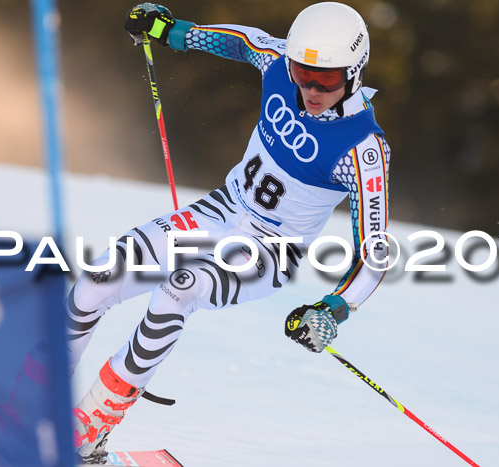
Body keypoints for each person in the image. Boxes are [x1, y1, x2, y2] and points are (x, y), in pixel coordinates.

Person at [69, 1, 391, 462]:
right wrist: (170, 30)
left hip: (267, 252)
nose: (312, 89)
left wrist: (333, 308)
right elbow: (241, 41)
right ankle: (32, 403)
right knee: (101, 276)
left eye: (328, 81)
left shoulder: (364, 149)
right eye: (303, 73)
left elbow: (374, 252)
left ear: (355, 73)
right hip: (220, 211)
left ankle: (86, 435)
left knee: (176, 293)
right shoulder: (280, 65)